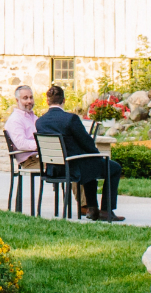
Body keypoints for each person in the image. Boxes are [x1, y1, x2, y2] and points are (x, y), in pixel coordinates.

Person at [35, 85, 123, 222]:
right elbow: (86, 142)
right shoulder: (70, 119)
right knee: (114, 168)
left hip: (54, 170)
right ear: (64, 100)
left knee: (91, 165)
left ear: (47, 102)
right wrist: (97, 155)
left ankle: (93, 209)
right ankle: (106, 211)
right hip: (73, 168)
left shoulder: (40, 122)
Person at [2, 85, 40, 166]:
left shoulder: (33, 117)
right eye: (25, 98)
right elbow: (21, 143)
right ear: (17, 100)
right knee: (61, 167)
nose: (29, 101)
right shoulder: (15, 120)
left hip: (40, 157)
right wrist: (41, 145)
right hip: (29, 161)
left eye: (31, 97)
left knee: (66, 163)